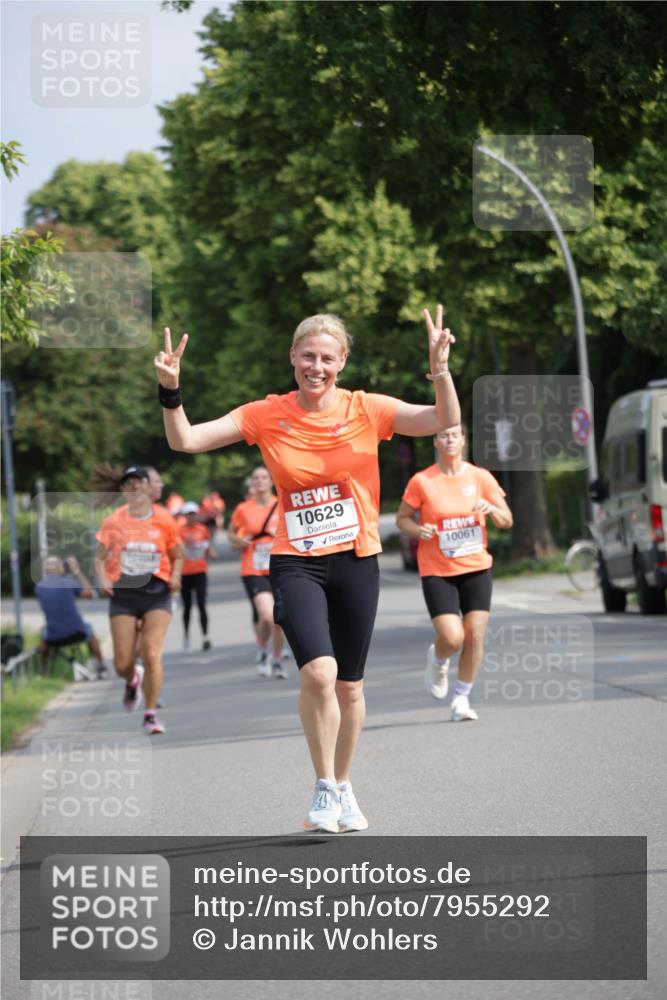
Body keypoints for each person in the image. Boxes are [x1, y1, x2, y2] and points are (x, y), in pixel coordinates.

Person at [154, 307, 459, 831]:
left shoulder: (367, 408)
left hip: (356, 557)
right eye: (308, 356)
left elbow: (442, 420)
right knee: (319, 672)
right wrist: (170, 390)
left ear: (342, 362)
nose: (316, 367)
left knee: (350, 687)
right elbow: (185, 440)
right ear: (293, 356)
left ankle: (344, 785)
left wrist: (440, 369)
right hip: (296, 559)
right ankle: (322, 786)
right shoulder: (265, 414)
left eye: (327, 358)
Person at [396, 424, 513, 721]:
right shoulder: (422, 481)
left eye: (455, 435)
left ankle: (461, 697)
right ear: (435, 441)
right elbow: (402, 519)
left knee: (475, 635)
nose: (450, 440)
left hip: (476, 567)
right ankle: (438, 659)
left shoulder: (480, 477)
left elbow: (506, 520)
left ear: (463, 440)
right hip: (437, 569)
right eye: (444, 435)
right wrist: (418, 530)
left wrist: (491, 509)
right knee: (452, 637)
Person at [93, 465, 183, 735]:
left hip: (157, 593)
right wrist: (102, 578)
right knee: (122, 663)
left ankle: (150, 714)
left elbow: (178, 554)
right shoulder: (113, 521)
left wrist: (176, 575)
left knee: (151, 653)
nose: (133, 487)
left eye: (138, 482)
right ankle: (133, 678)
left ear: (147, 486)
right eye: (128, 483)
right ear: (122, 490)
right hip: (124, 594)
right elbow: (98, 557)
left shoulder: (164, 518)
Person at [228, 466, 286, 678]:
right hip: (253, 569)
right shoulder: (243, 509)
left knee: (280, 620)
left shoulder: (282, 504)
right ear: (252, 484)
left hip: (280, 567)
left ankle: (277, 658)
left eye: (263, 477)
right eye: (255, 478)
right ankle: (263, 649)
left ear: (271, 481)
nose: (259, 481)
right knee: (268, 617)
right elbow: (230, 533)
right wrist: (239, 541)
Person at [36, 555, 107, 677]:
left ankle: (43, 671)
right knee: (90, 631)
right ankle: (101, 667)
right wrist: (77, 571)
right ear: (60, 568)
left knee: (43, 634)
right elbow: (90, 593)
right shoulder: (69, 582)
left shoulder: (39, 587)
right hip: (77, 632)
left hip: (53, 636)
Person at [179, 500, 216, 651]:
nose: (191, 517)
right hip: (185, 572)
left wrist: (211, 553)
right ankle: (186, 636)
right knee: (187, 606)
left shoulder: (202, 529)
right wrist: (185, 545)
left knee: (202, 604)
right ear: (184, 516)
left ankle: (205, 636)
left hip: (200, 571)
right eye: (188, 514)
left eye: (193, 514)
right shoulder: (179, 531)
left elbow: (207, 546)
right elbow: (175, 550)